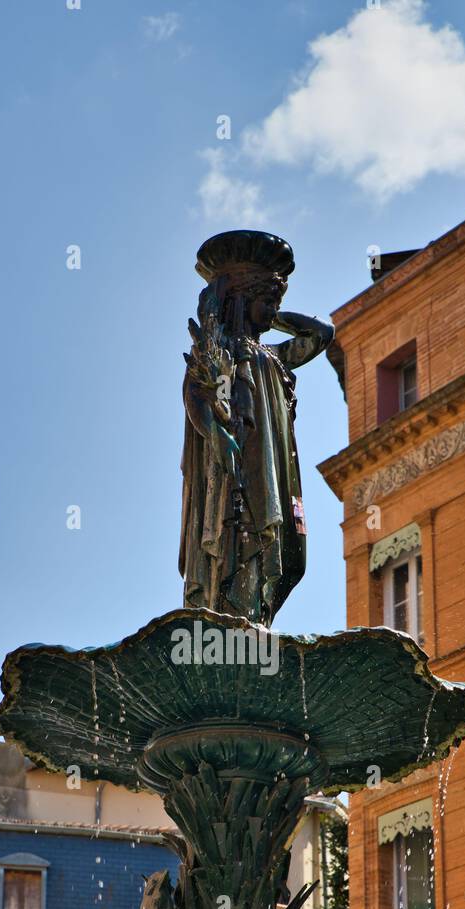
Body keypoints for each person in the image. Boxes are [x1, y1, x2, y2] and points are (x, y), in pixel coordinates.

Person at [179, 230, 334, 625]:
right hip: (235, 474)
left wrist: (267, 310)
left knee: (289, 555)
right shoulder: (219, 350)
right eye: (268, 302)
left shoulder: (272, 356)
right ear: (244, 299)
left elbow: (321, 334)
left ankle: (253, 621)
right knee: (240, 544)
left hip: (274, 474)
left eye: (276, 303)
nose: (272, 311)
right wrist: (216, 433)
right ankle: (234, 622)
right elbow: (197, 395)